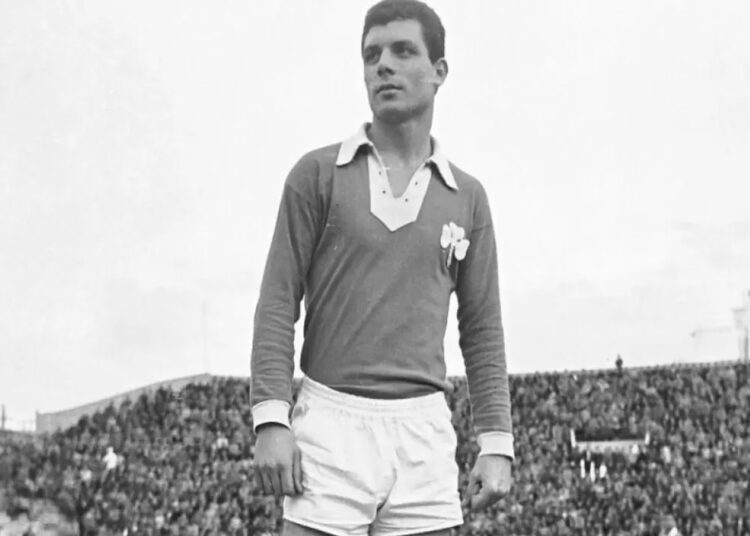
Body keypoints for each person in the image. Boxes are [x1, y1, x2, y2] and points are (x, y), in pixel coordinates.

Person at [250, 1, 515, 534]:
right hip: (329, 425)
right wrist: (271, 417)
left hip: (423, 432)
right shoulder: (317, 174)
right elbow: (278, 301)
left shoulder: (467, 197)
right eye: (372, 55)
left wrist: (496, 442)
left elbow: (482, 328)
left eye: (402, 51)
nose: (383, 65)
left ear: (439, 71)